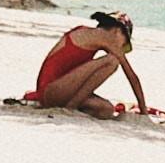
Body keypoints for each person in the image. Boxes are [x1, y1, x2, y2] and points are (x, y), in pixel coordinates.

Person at [20, 10, 150, 116]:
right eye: (124, 43)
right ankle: (71, 108)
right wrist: (144, 112)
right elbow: (132, 76)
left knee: (106, 110)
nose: (121, 47)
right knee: (112, 61)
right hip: (51, 91)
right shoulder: (106, 37)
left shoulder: (88, 32)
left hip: (57, 90)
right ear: (117, 30)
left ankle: (72, 107)